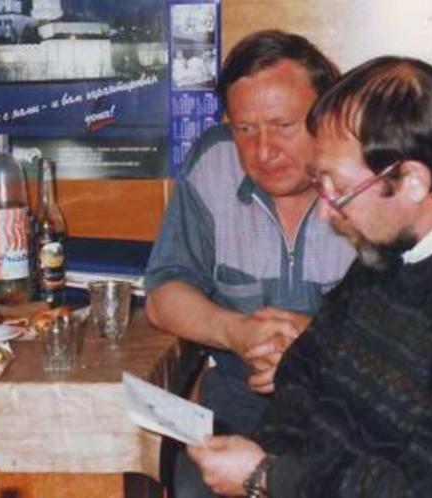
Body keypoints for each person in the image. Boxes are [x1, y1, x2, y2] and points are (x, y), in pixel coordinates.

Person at [188, 55, 432, 497]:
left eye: (338, 189)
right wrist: (271, 464)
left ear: (413, 180)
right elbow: (303, 374)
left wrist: (267, 477)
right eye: (319, 184)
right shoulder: (393, 246)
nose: (326, 212)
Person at [144, 31, 355, 496]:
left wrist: (316, 348)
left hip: (348, 408)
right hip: (239, 405)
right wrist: (236, 332)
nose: (263, 151)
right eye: (245, 129)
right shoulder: (214, 162)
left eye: (283, 125)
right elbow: (163, 293)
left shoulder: (369, 176)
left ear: (327, 117)